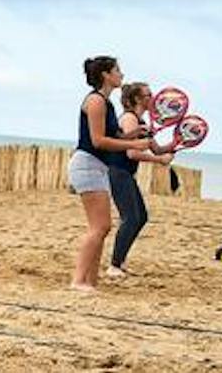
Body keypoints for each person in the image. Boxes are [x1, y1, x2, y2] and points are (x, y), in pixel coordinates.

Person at [68, 56, 151, 292]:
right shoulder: (95, 101)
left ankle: (90, 281)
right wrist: (134, 145)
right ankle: (78, 280)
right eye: (117, 70)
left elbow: (115, 136)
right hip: (87, 163)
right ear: (105, 75)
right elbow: (98, 141)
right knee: (99, 226)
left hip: (97, 166)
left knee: (103, 227)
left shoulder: (108, 104)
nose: (121, 75)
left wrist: (135, 135)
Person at [108, 81, 180, 278]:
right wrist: (159, 160)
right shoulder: (130, 119)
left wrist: (176, 143)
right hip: (118, 172)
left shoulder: (142, 123)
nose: (154, 98)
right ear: (138, 99)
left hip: (125, 174)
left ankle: (119, 261)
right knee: (131, 218)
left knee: (141, 217)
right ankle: (114, 265)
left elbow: (157, 148)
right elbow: (132, 153)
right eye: (149, 95)